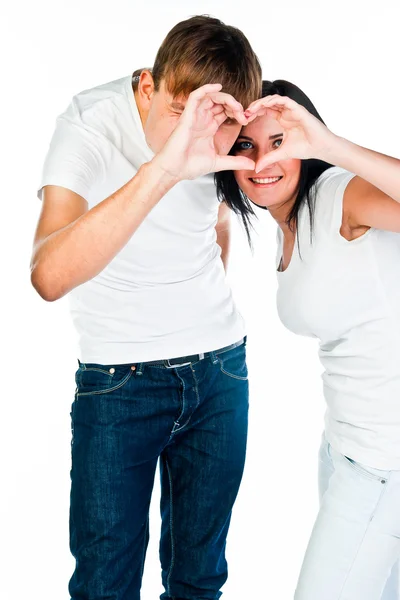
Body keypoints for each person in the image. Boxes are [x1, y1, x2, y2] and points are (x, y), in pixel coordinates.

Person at [31, 15, 261, 600]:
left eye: (211, 124)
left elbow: (216, 225)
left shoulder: (221, 130)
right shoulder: (90, 122)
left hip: (220, 374)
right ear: (146, 87)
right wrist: (165, 169)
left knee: (199, 581)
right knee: (105, 586)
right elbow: (48, 276)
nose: (194, 136)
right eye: (178, 113)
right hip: (119, 385)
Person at [216, 80, 400, 600]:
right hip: (344, 450)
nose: (261, 162)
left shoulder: (341, 195)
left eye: (279, 142)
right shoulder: (287, 220)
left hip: (383, 461)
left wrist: (330, 145)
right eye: (244, 147)